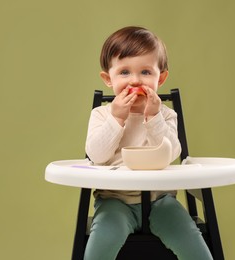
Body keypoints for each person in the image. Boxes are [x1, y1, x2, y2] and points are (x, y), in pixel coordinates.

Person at [84, 26, 213, 260]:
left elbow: (170, 154)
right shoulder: (102, 115)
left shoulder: (166, 115)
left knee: (191, 240)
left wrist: (153, 118)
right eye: (124, 72)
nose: (135, 80)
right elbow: (96, 156)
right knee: (100, 243)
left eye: (145, 72)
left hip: (160, 200)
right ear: (108, 79)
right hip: (115, 200)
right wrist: (116, 118)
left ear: (160, 78)